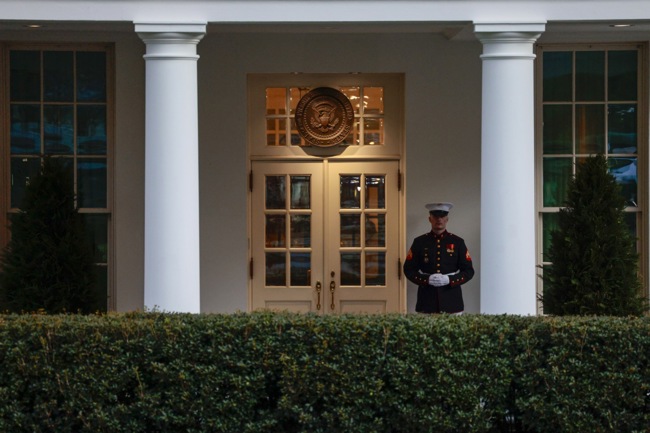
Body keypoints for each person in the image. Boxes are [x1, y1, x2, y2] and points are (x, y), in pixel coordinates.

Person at [403, 202, 474, 314]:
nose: (439, 219)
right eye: (435, 216)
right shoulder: (419, 242)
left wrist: (450, 280)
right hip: (426, 300)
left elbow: (469, 271)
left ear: (447, 219)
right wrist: (426, 280)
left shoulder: (458, 242)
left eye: (442, 216)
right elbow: (408, 269)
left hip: (452, 300)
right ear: (430, 219)